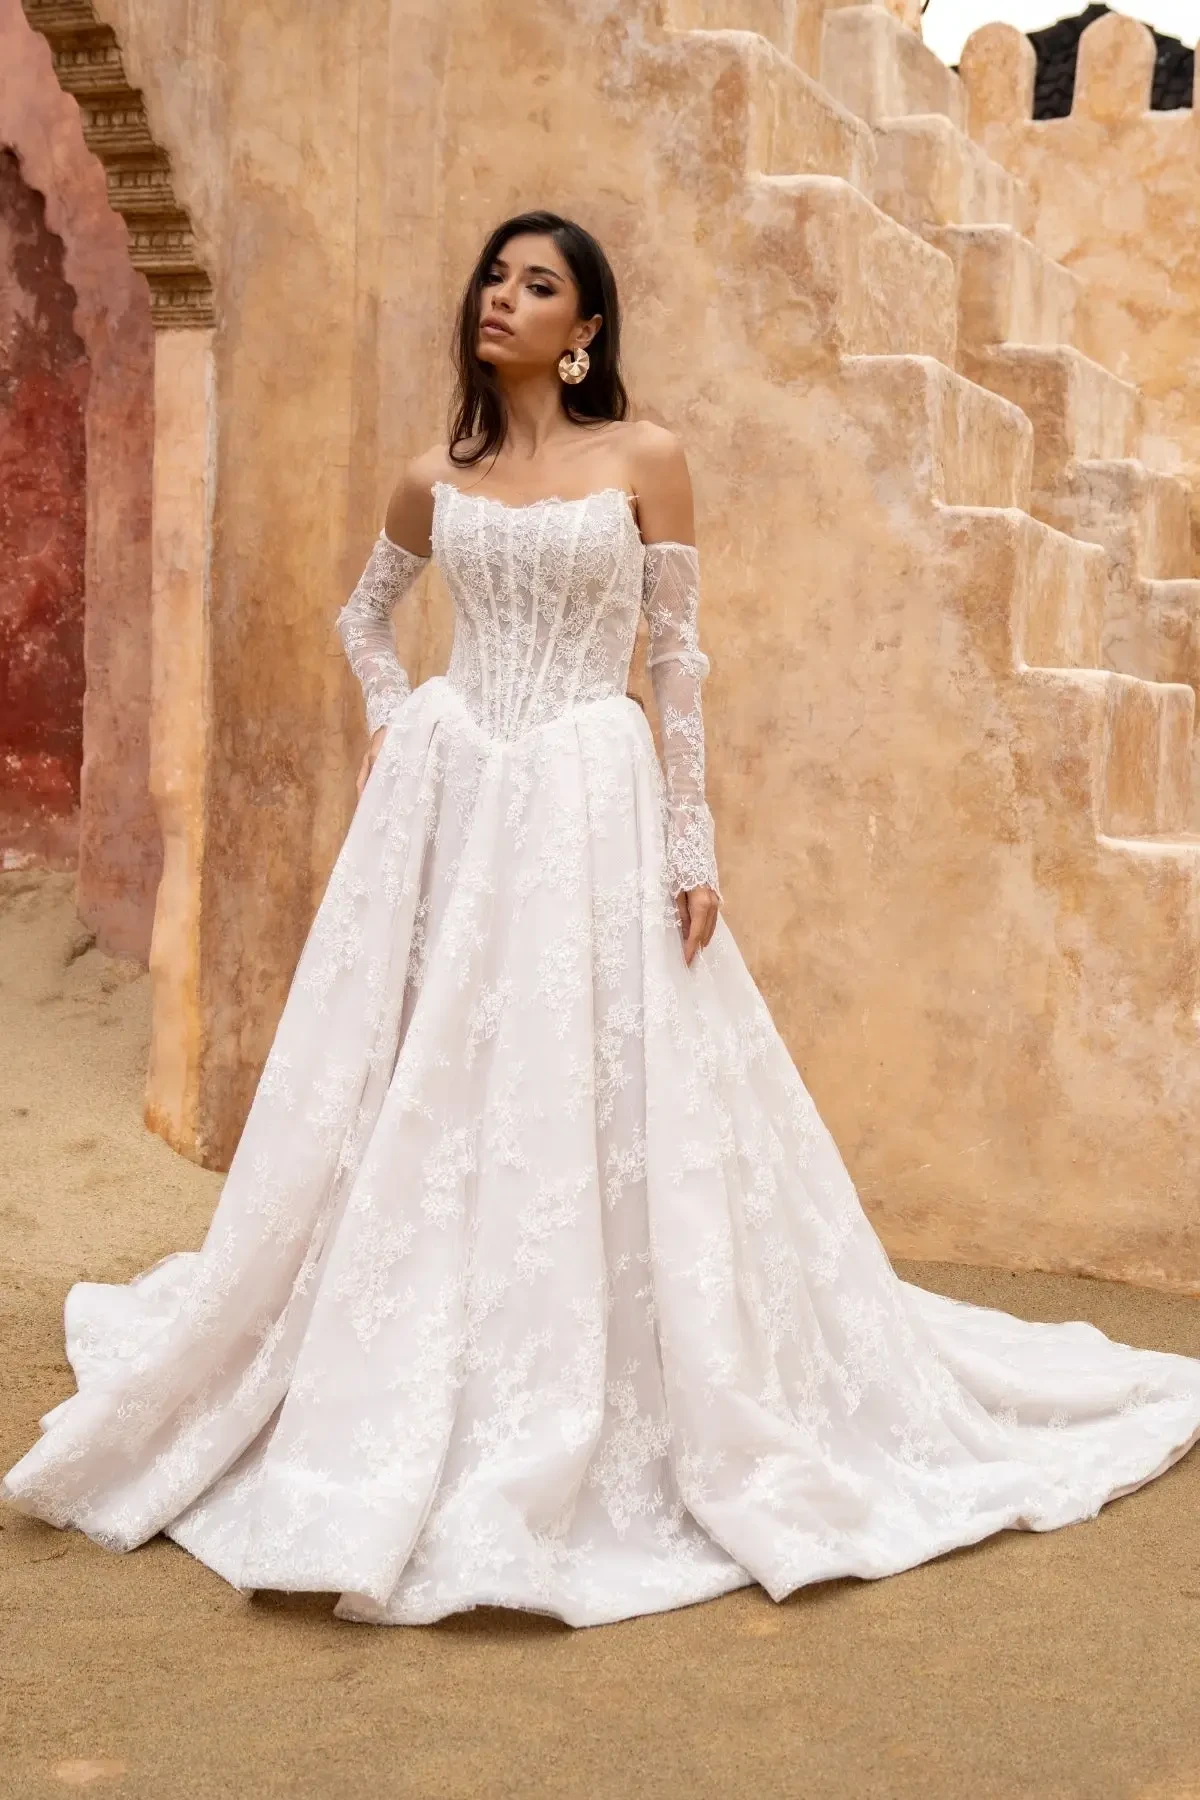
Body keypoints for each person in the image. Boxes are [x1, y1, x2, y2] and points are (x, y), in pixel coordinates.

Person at [5, 210, 1200, 1630]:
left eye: (538, 285)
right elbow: (363, 622)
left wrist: (693, 841)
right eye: (494, 278)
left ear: (585, 330)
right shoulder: (430, 473)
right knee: (434, 1080)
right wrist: (401, 719)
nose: (501, 299)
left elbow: (676, 657)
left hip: (589, 785)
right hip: (455, 801)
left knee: (601, 1080)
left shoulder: (646, 458)